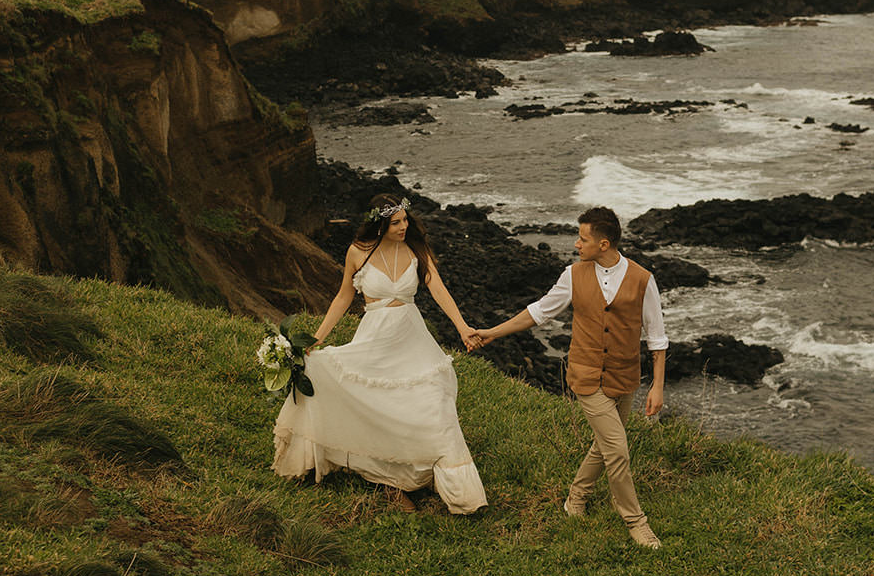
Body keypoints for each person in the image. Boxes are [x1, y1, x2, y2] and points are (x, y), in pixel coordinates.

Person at [271, 195, 487, 514]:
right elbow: (344, 297)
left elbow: (438, 288)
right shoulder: (358, 252)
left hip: (413, 339)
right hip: (375, 341)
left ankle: (463, 494)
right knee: (372, 403)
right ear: (380, 224)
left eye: (405, 220)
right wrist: (316, 338)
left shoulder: (416, 249)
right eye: (396, 222)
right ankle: (387, 481)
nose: (404, 226)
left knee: (434, 404)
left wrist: (462, 326)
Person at [473, 207, 667, 548]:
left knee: (605, 443)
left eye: (583, 238)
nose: (577, 244)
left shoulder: (643, 279)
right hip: (586, 374)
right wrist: (493, 332)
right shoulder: (572, 275)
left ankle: (576, 496)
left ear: (603, 244)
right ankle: (635, 521)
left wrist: (658, 386)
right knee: (618, 449)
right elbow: (539, 311)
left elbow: (657, 337)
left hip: (624, 375)